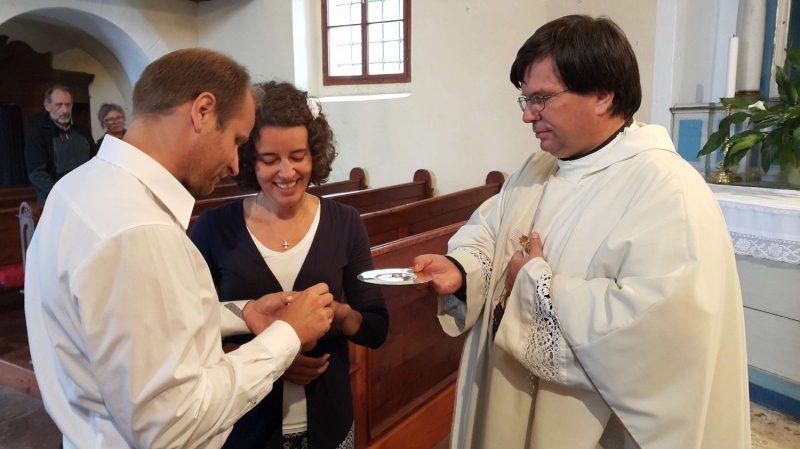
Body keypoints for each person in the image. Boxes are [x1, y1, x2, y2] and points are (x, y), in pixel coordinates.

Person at [413, 15, 750, 448]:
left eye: (542, 99)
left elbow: (658, 330)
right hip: (503, 394)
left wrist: (535, 286)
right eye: (525, 100)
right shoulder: (538, 168)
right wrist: (462, 270)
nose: (528, 115)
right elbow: (489, 231)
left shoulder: (666, 189)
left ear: (603, 95)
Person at [24, 49, 335, 449]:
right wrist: (287, 336)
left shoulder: (80, 187)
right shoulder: (139, 230)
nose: (234, 164)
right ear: (203, 111)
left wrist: (242, 313)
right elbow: (174, 422)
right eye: (236, 140)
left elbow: (133, 328)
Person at [190, 80, 388, 449]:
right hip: (244, 429)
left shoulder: (345, 222)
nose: (287, 172)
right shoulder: (214, 228)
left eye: (298, 156)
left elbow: (376, 328)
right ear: (249, 159)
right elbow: (189, 331)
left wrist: (338, 313)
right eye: (269, 160)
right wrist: (270, 360)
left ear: (315, 154)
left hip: (328, 422)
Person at [24, 85, 98, 204]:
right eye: (59, 105)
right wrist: (64, 195)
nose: (65, 110)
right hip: (53, 202)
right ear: (47, 106)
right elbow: (36, 174)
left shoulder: (83, 132)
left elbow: (95, 163)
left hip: (86, 199)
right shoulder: (37, 135)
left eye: (68, 105)